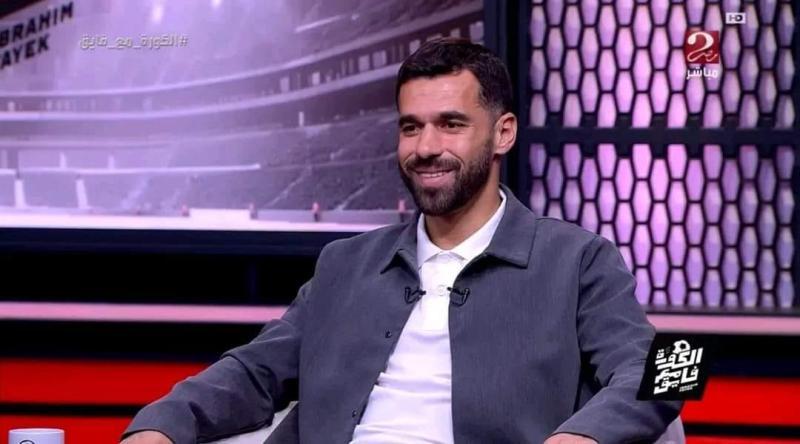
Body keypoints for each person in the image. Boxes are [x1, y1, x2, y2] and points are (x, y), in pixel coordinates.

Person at [121, 38, 682, 444]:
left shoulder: (577, 258)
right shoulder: (346, 263)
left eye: (451, 124)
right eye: (411, 126)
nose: (425, 147)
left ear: (503, 133)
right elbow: (253, 371)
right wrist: (160, 426)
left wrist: (580, 438)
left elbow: (674, 371)